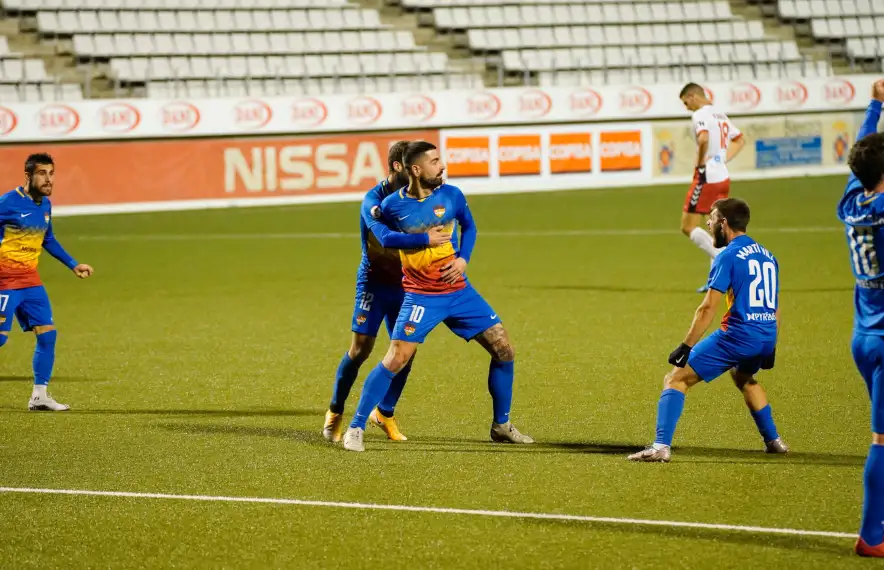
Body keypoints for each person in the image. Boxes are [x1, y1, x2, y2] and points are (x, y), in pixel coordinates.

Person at [341, 141, 533, 452]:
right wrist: (424, 239)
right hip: (421, 295)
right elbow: (386, 237)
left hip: (459, 291)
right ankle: (356, 426)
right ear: (416, 170)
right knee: (396, 359)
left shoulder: (452, 195)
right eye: (434, 161)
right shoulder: (392, 206)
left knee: (504, 349)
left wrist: (463, 259)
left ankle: (501, 426)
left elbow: (469, 227)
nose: (441, 166)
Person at [628, 198, 787, 462]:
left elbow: (707, 309)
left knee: (676, 379)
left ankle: (660, 447)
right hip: (766, 334)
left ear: (724, 223)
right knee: (744, 378)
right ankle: (775, 442)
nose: (708, 223)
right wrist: (772, 345)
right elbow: (775, 306)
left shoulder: (728, 256)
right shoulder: (768, 256)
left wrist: (686, 346)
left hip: (738, 337)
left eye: (712, 218)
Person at [323, 141, 451, 443]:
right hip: (375, 283)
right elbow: (385, 237)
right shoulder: (373, 201)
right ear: (399, 167)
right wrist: (424, 240)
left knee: (406, 352)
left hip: (409, 285)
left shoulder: (422, 196)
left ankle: (385, 413)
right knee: (361, 349)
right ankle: (335, 411)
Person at [1, 153, 94, 411]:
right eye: (42, 173)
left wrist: (73, 264)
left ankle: (39, 396)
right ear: (28, 176)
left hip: (30, 282)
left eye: (51, 174)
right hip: (4, 282)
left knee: (47, 335)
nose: (48, 179)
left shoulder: (45, 205)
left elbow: (48, 239)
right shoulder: (7, 203)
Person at [835, 78, 884, 557]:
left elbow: (861, 154)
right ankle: (872, 537)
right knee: (882, 442)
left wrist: (875, 105)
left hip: (864, 339)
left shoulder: (853, 203)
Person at [678, 83, 746, 292]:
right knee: (716, 225)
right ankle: (715, 281)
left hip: (706, 176)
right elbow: (740, 139)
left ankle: (721, 258)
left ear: (693, 95)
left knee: (687, 225)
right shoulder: (720, 114)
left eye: (686, 102)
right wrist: (722, 159)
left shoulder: (700, 114)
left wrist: (700, 164)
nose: (687, 107)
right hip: (722, 176)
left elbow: (704, 137)